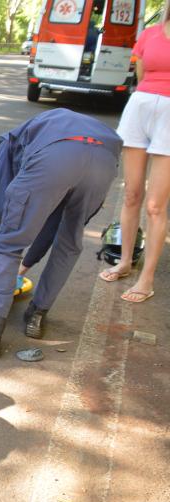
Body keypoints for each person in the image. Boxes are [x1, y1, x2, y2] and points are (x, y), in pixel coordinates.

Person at [0, 109, 123, 359]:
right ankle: (36, 316)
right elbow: (54, 223)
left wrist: (1, 243)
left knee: (9, 243)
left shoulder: (9, 141)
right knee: (70, 241)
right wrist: (28, 263)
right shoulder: (49, 127)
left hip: (57, 156)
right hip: (103, 161)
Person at [99, 3, 170, 303]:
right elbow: (141, 74)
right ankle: (126, 261)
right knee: (132, 194)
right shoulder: (150, 34)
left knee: (155, 206)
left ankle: (147, 278)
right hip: (140, 107)